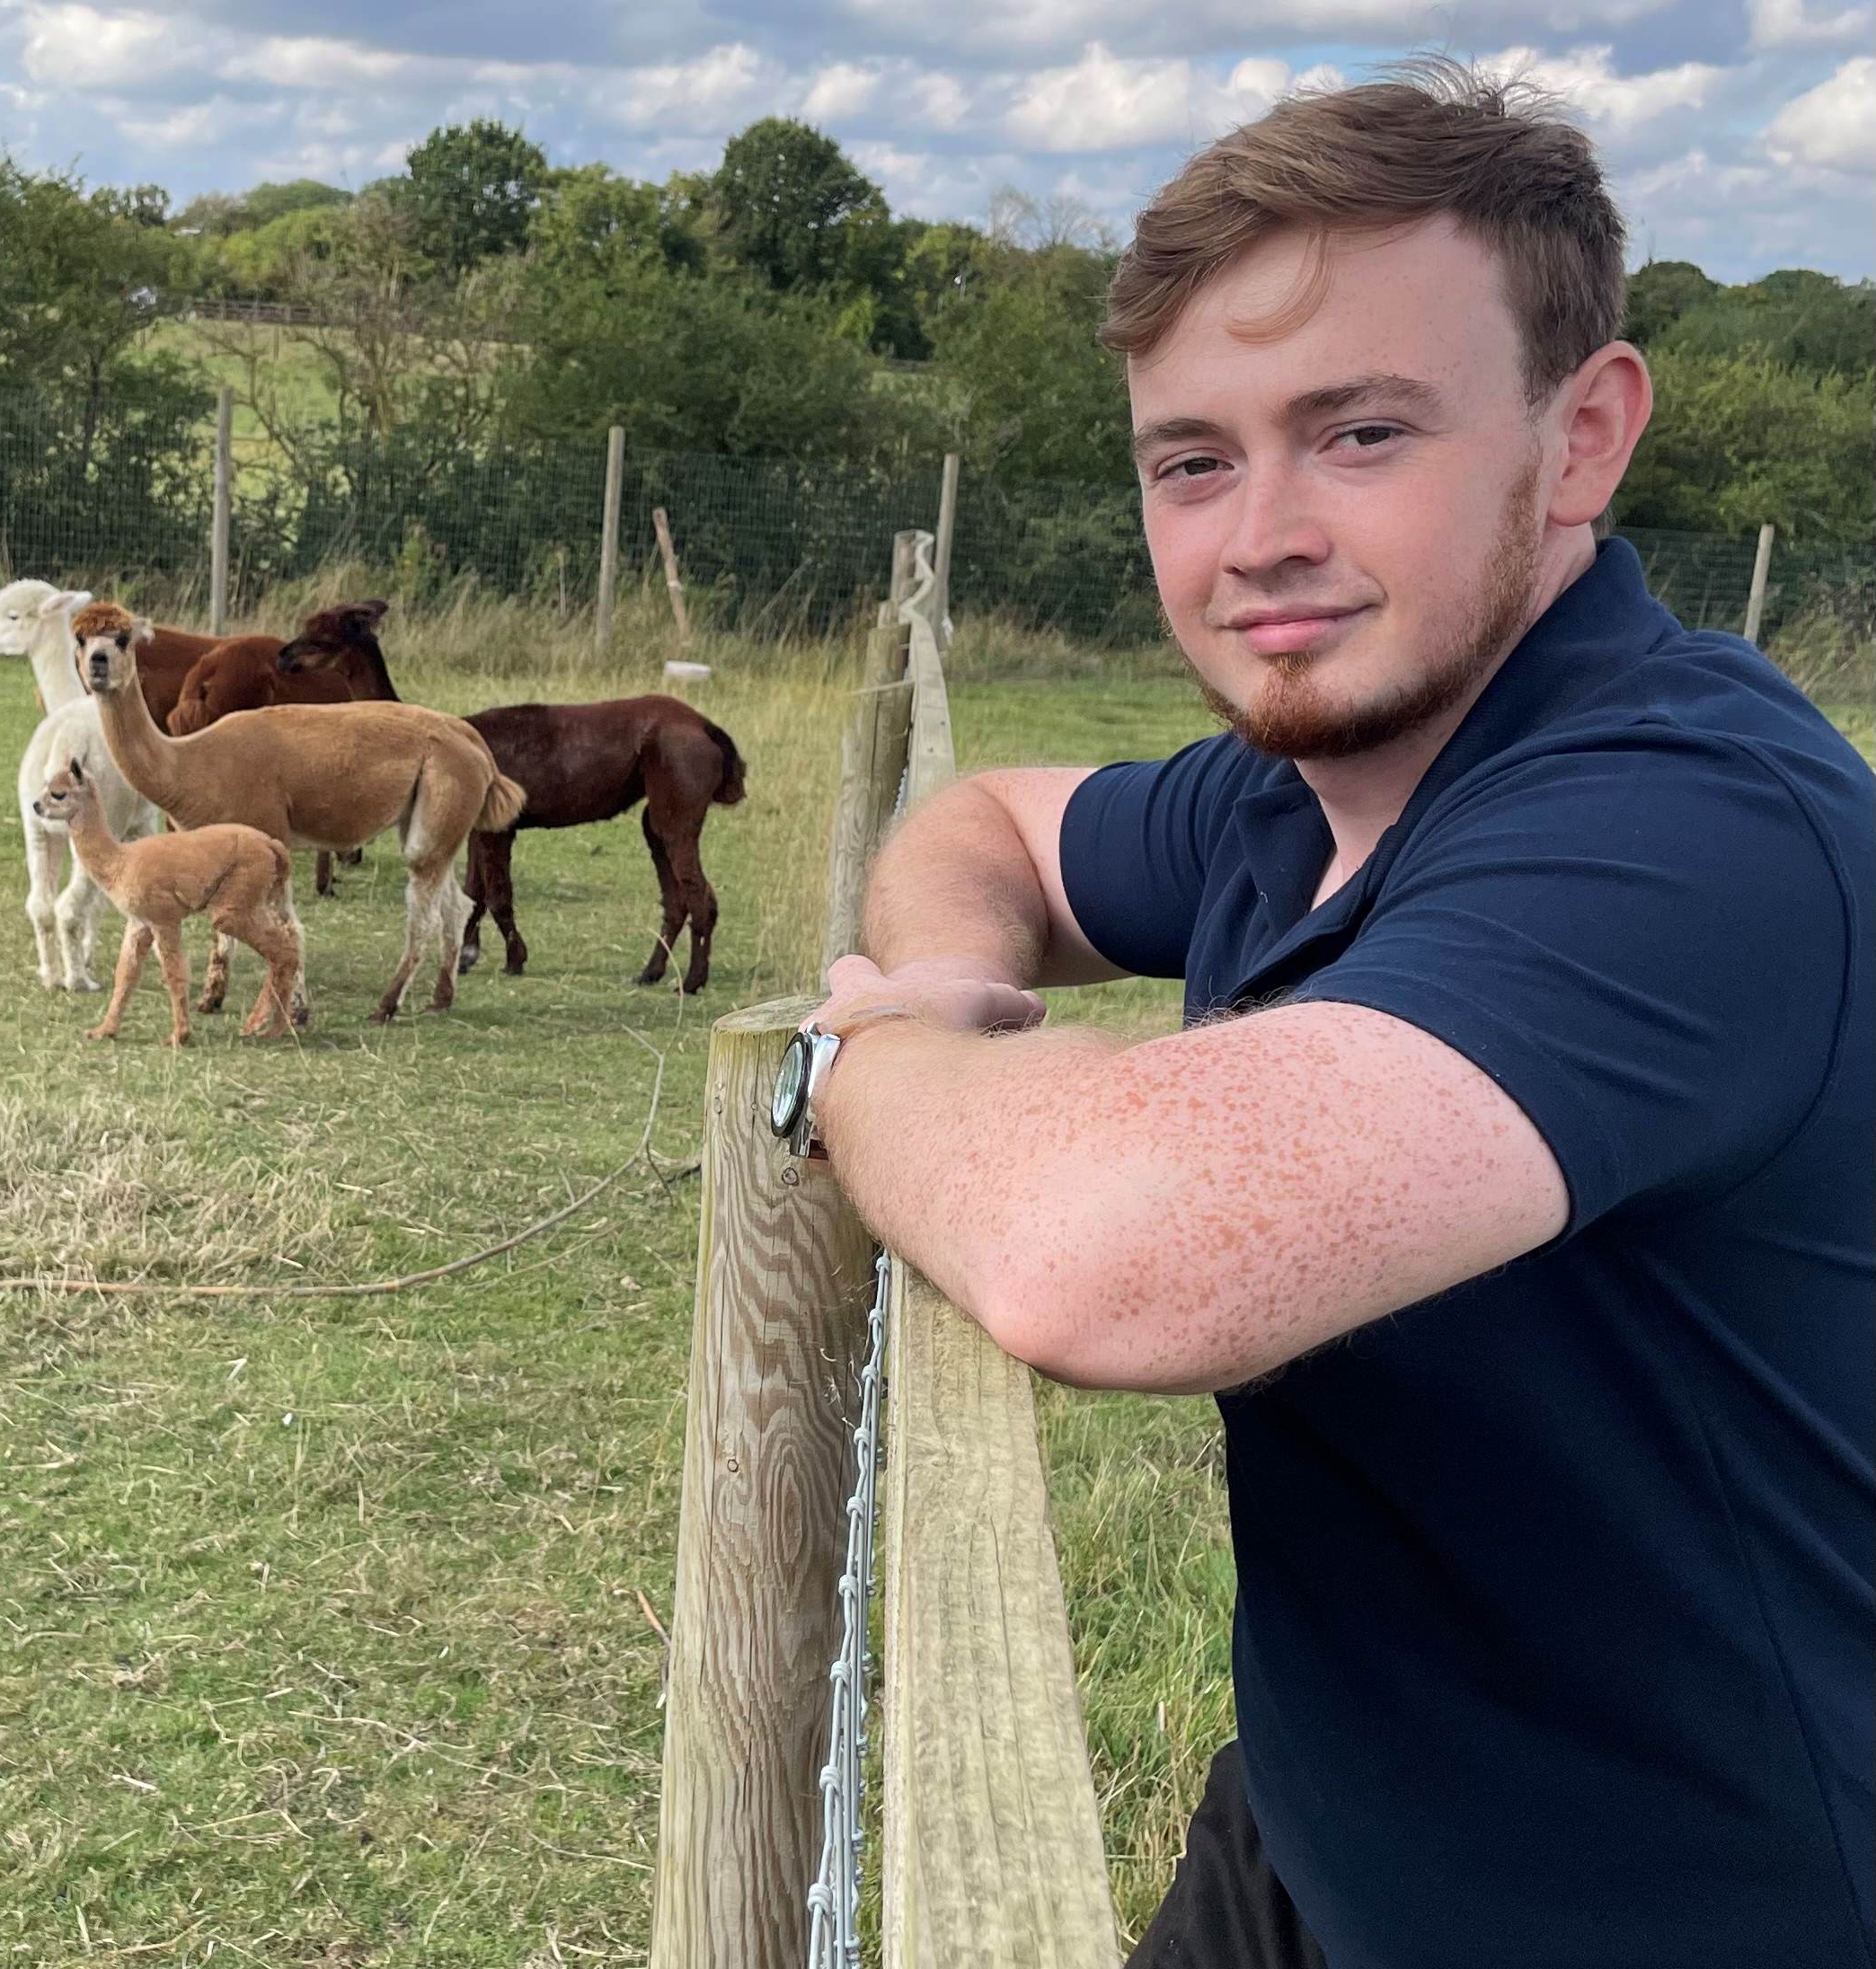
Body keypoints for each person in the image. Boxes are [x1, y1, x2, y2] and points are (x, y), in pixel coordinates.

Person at [799, 60, 1874, 1969]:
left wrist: (863, 1054)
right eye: (1190, 460)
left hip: (1685, 1907)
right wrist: (951, 971)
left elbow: (1101, 1257)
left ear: (1582, 434)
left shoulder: (1696, 826)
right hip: (1327, 1818)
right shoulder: (1296, 784)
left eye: (1361, 433)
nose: (1257, 537)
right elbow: (981, 826)